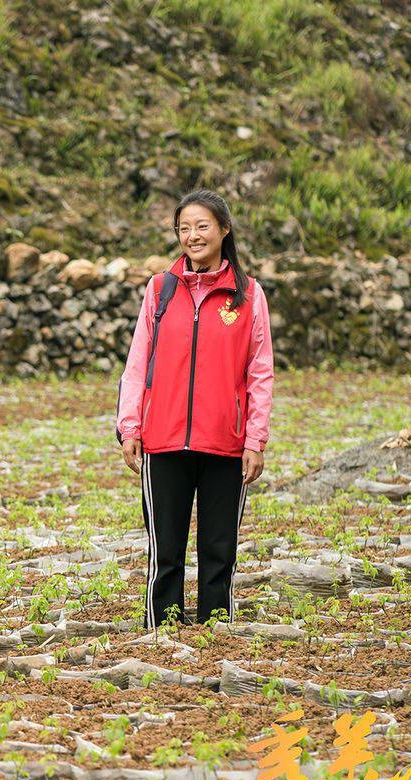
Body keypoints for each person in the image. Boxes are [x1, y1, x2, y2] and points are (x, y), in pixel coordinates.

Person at [116, 189, 274, 628]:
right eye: (184, 228)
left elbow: (260, 372)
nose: (192, 236)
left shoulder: (247, 295)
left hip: (226, 441)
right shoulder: (161, 289)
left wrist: (255, 439)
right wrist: (130, 426)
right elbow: (137, 362)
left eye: (202, 226)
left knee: (219, 548)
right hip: (163, 438)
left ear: (224, 229)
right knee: (165, 548)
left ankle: (214, 629)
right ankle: (163, 627)